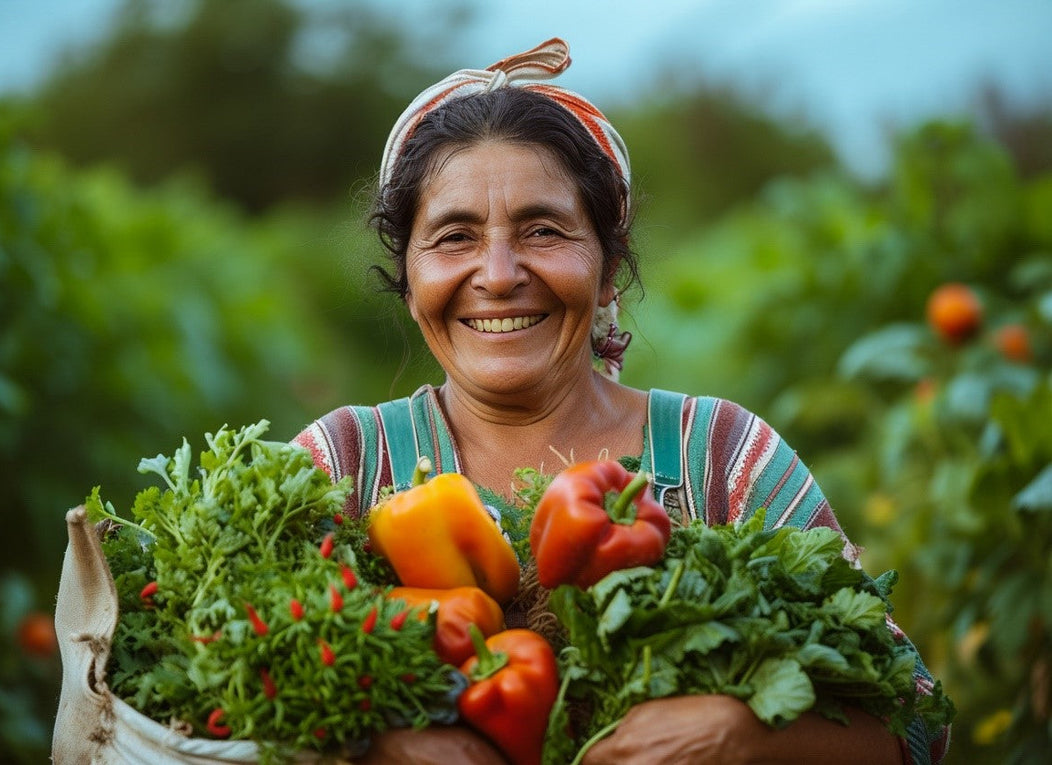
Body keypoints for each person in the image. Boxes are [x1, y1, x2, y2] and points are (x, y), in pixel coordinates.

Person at [294, 38, 950, 765]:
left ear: (607, 270)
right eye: (454, 237)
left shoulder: (723, 453)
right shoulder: (341, 464)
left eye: (544, 230)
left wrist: (738, 733)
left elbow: (917, 717)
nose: (501, 273)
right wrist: (378, 742)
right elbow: (203, 702)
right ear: (409, 279)